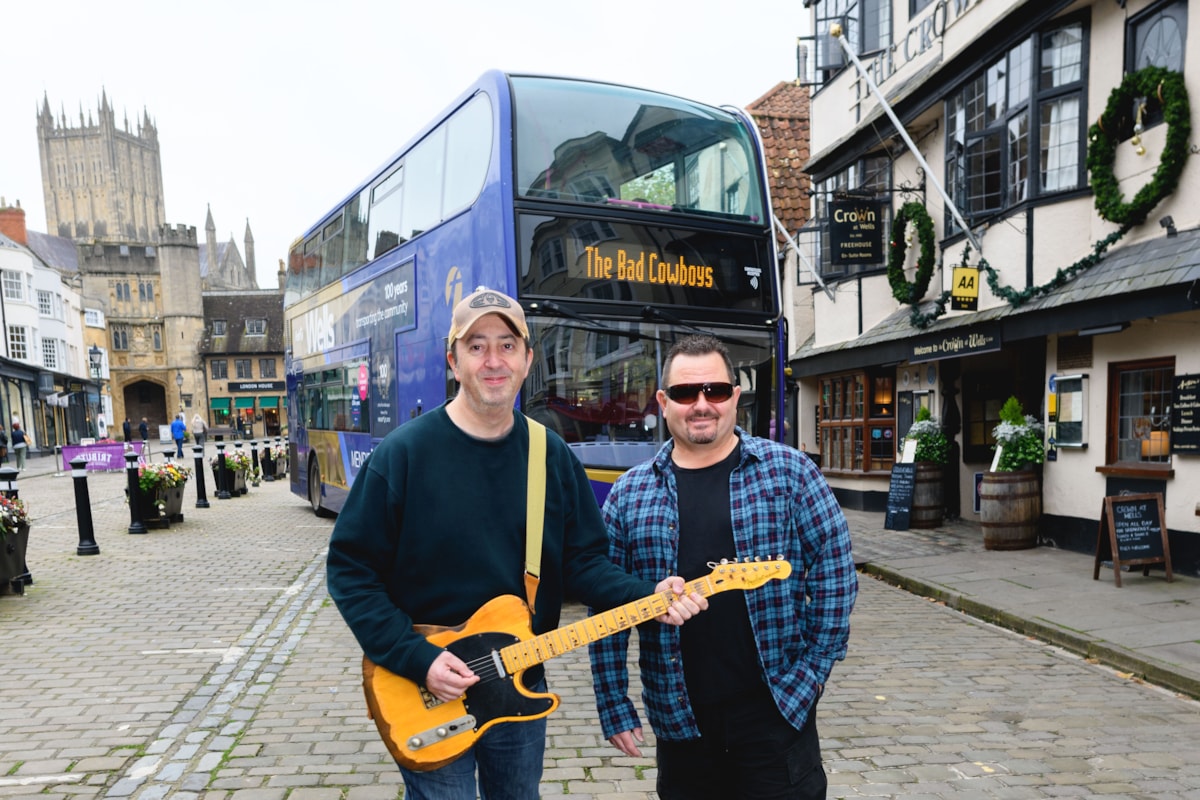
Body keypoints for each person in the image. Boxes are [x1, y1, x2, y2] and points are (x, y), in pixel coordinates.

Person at [326, 287, 707, 800]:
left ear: (528, 360)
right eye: (476, 345)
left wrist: (647, 596)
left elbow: (584, 564)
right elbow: (351, 570)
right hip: (427, 683)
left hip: (520, 678)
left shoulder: (549, 456)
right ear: (453, 360)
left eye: (507, 345)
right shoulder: (404, 456)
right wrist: (418, 659)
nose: (493, 361)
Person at [589, 334, 858, 800]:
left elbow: (835, 570)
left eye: (714, 390)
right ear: (662, 401)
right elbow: (608, 604)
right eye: (684, 393)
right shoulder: (630, 494)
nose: (701, 404)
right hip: (680, 721)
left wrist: (811, 672)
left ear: (735, 395)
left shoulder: (789, 472)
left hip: (776, 715)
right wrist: (613, 702)